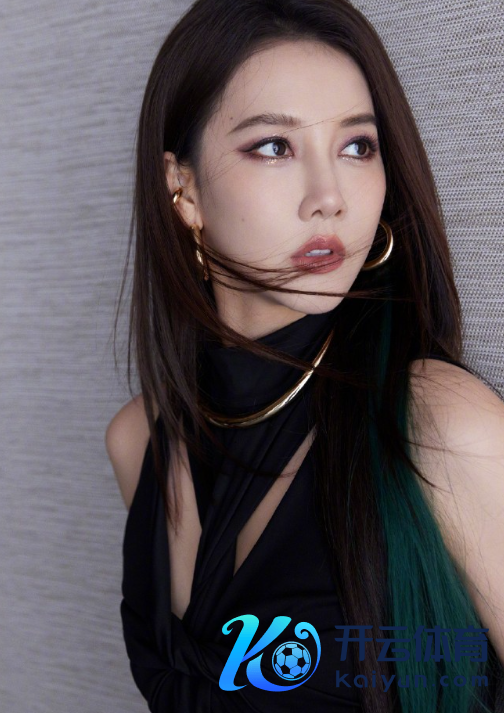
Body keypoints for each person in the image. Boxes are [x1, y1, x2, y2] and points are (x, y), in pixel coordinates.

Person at [105, 0, 504, 710]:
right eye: (273, 147)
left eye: (358, 147)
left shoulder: (440, 425)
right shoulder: (139, 440)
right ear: (182, 188)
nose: (330, 198)